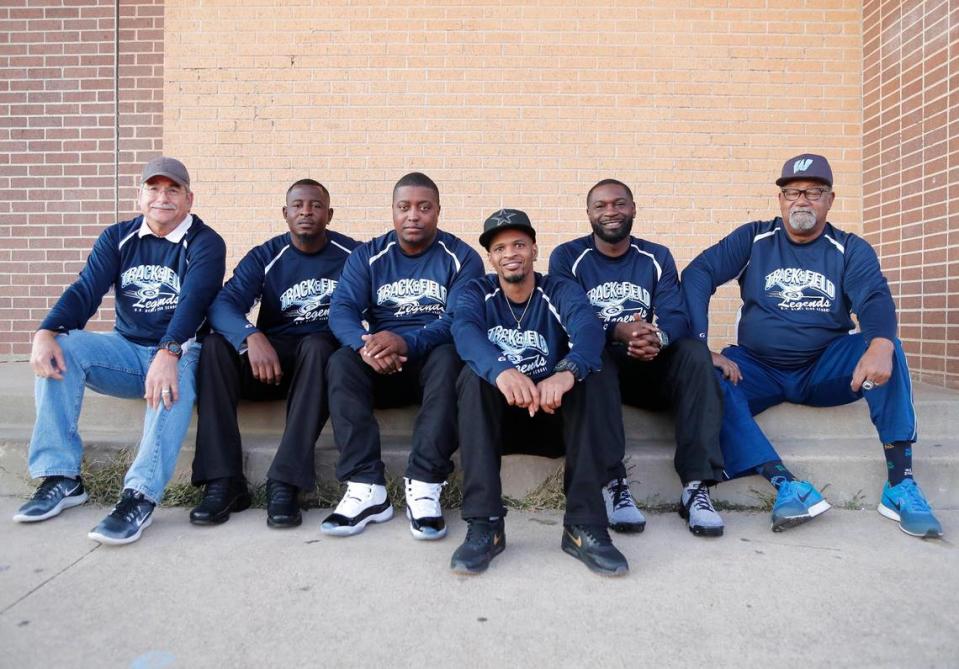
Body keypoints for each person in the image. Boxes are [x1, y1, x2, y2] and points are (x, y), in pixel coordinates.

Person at [682, 153, 942, 538]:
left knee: (890, 348)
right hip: (756, 367)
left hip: (824, 367)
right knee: (707, 380)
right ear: (781, 200)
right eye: (792, 192)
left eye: (813, 192)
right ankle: (787, 484)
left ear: (830, 200)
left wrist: (881, 342)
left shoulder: (849, 248)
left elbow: (873, 297)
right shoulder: (754, 238)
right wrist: (701, 345)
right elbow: (698, 273)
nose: (801, 200)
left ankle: (900, 484)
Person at [13, 157, 226, 545]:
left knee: (171, 380)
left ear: (188, 198)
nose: (162, 197)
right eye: (154, 188)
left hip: (184, 349)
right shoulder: (118, 237)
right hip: (127, 352)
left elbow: (195, 301)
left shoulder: (206, 242)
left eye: (172, 190)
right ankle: (61, 476)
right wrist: (46, 330)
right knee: (64, 347)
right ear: (140, 195)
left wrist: (169, 351)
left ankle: (139, 496)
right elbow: (85, 290)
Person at [450, 209, 629, 576]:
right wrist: (502, 372)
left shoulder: (559, 289)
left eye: (519, 244)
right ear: (491, 257)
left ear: (534, 249)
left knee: (592, 372)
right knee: (472, 377)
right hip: (496, 426)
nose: (510, 253)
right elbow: (465, 331)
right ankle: (485, 525)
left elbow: (589, 331)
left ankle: (584, 525)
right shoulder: (476, 291)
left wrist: (566, 372)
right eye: (500, 248)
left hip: (553, 421)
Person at [550, 179, 726, 537]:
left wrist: (655, 337)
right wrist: (618, 331)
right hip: (601, 367)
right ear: (588, 213)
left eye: (619, 204)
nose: (610, 212)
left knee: (693, 352)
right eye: (600, 206)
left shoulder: (656, 256)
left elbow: (675, 315)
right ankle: (614, 483)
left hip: (647, 360)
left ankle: (696, 487)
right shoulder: (568, 257)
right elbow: (567, 317)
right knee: (593, 356)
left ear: (633, 209)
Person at [319, 172, 483, 540]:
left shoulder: (462, 258)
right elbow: (342, 309)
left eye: (424, 207)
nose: (414, 215)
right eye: (404, 207)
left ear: (438, 211)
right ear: (392, 211)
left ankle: (425, 482)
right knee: (341, 362)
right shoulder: (369, 255)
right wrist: (366, 345)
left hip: (429, 359)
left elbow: (460, 319)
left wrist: (405, 342)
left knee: (449, 356)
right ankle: (366, 488)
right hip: (379, 358)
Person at [189, 179, 360, 528]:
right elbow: (223, 305)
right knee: (213, 347)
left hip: (319, 370)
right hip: (269, 362)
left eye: (315, 205)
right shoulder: (266, 255)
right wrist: (250, 336)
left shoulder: (354, 255)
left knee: (317, 344)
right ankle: (224, 481)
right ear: (285, 213)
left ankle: (285, 481)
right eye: (298, 205)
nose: (306, 212)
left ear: (329, 214)